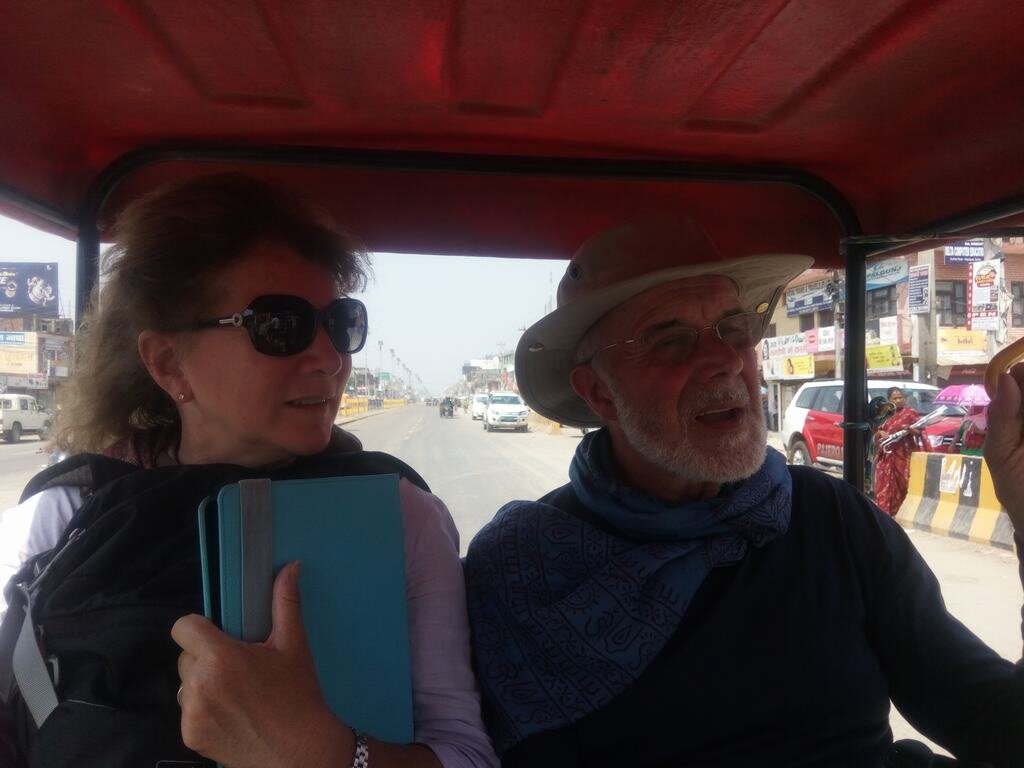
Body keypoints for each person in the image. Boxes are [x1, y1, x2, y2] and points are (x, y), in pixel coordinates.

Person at [463, 216, 1024, 767]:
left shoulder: (831, 518)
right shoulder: (523, 567)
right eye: (671, 340)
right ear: (600, 394)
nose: (727, 360)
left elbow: (987, 718)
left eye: (734, 329)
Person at [0, 174, 497, 768]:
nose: (330, 359)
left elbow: (465, 751)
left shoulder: (400, 515)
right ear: (168, 364)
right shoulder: (63, 515)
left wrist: (321, 752)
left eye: (340, 324)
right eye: (279, 326)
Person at [873, 386, 925, 516]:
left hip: (903, 455)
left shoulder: (910, 413)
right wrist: (880, 433)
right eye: (894, 398)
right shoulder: (884, 414)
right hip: (887, 454)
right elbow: (874, 433)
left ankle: (904, 512)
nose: (898, 400)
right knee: (885, 484)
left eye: (900, 397)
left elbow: (919, 432)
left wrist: (910, 430)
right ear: (889, 400)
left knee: (904, 483)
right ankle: (885, 513)